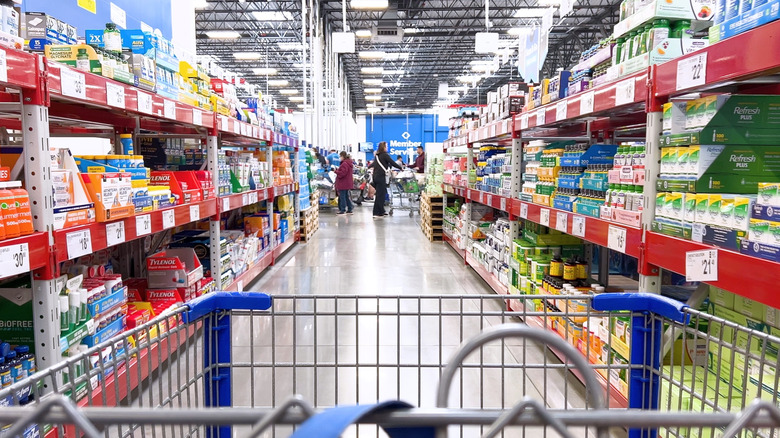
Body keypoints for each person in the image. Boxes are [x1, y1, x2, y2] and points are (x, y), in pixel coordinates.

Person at [371, 141, 403, 218]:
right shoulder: (385, 155)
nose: (387, 147)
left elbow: (378, 164)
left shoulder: (377, 156)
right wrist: (400, 168)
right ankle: (377, 212)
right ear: (383, 147)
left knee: (380, 194)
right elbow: (392, 162)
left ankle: (381, 210)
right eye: (386, 146)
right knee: (380, 195)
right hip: (381, 177)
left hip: (375, 177)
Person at [334, 151, 354, 215]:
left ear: (342, 156)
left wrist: (336, 171)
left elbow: (342, 173)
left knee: (342, 196)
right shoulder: (348, 163)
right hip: (347, 182)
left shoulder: (344, 164)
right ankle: (350, 208)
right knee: (346, 196)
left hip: (343, 183)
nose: (340, 158)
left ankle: (342, 210)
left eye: (340, 156)